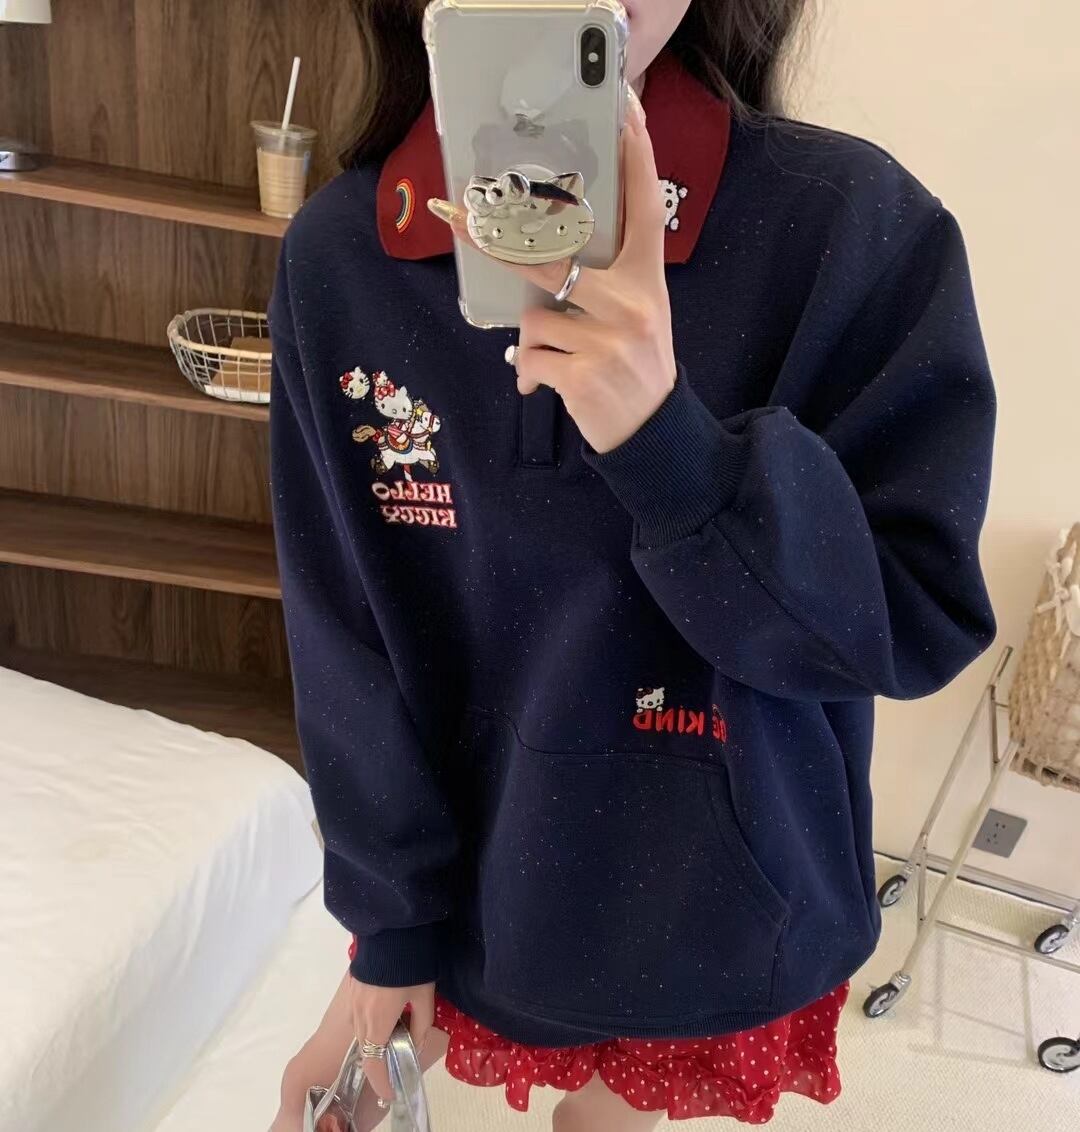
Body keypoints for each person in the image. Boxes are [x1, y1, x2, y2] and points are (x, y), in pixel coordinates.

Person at [266, 0, 998, 1127]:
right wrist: (387, 921)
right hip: (482, 907)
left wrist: (670, 445)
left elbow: (913, 616)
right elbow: (346, 638)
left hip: (729, 909)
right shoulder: (341, 258)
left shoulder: (855, 229)